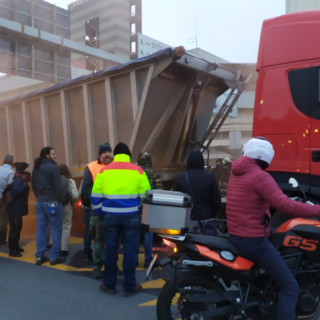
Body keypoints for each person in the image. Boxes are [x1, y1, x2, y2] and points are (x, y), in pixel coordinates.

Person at [226, 137, 320, 320]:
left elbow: (256, 200)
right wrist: (317, 209)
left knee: (282, 233)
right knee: (290, 287)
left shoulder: (237, 172)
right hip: (252, 239)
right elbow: (285, 206)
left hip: (241, 233)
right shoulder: (259, 176)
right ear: (266, 155)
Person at [91, 142, 151, 297]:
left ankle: (109, 285)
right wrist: (141, 214)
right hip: (131, 217)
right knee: (130, 251)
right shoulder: (138, 171)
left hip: (110, 216)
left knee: (110, 250)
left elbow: (95, 197)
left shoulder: (104, 172)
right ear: (129, 156)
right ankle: (129, 285)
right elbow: (147, 197)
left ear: (114, 155)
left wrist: (101, 213)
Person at [81, 142, 114, 278]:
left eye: (108, 152)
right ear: (100, 154)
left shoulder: (116, 166)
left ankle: (112, 265)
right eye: (104, 152)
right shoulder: (91, 167)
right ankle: (97, 266)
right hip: (98, 209)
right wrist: (97, 201)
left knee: (113, 240)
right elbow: (87, 189)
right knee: (99, 239)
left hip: (113, 209)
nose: (107, 154)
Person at [173, 149, 221, 235]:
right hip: (205, 219)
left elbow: (175, 200)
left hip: (186, 219)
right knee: (206, 245)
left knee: (186, 244)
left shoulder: (181, 177)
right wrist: (211, 214)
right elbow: (216, 200)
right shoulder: (209, 176)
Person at [32, 147, 65, 266]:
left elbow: (34, 186)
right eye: (53, 154)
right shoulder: (53, 167)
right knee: (56, 229)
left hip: (39, 202)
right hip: (52, 202)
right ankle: (54, 257)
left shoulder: (36, 168)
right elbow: (58, 186)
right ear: (47, 155)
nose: (55, 156)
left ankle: (39, 256)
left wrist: (40, 196)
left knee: (41, 229)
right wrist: (61, 199)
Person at [136, 150, 163, 268]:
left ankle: (134, 259)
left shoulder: (134, 172)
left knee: (135, 233)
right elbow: (159, 192)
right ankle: (148, 260)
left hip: (136, 206)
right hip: (149, 207)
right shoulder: (154, 173)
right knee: (148, 234)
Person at [7, 162, 31, 257]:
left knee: (18, 228)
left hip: (16, 208)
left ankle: (16, 246)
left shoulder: (21, 178)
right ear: (24, 169)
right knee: (15, 229)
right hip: (15, 209)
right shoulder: (19, 179)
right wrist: (26, 186)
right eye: (27, 167)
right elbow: (14, 191)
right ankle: (12, 250)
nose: (29, 168)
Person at [59, 164, 78, 256]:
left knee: (57, 226)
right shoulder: (70, 181)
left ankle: (56, 245)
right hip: (67, 205)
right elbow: (75, 195)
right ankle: (64, 249)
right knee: (66, 226)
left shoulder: (55, 181)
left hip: (57, 206)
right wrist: (71, 202)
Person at [0, 155, 14, 247]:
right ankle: (1, 241)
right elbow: (10, 187)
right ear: (12, 162)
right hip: (3, 198)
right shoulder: (10, 172)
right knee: (3, 219)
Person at [79, 179, 93, 262]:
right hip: (103, 207)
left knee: (88, 230)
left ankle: (87, 253)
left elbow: (79, 193)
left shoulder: (85, 178)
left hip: (89, 207)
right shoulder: (105, 173)